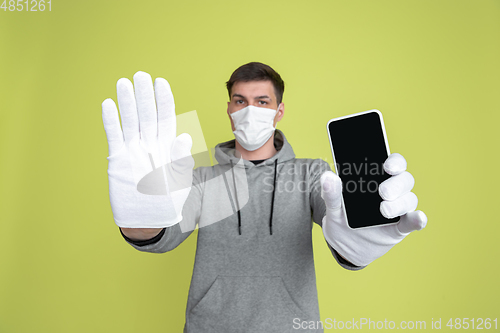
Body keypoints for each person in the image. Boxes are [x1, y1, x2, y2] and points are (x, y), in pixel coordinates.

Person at [101, 62, 427, 333]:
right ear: (229, 109)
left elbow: (336, 217)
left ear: (279, 110)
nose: (249, 111)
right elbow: (163, 235)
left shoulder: (312, 174)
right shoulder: (200, 178)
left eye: (262, 101)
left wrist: (358, 242)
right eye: (240, 101)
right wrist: (140, 221)